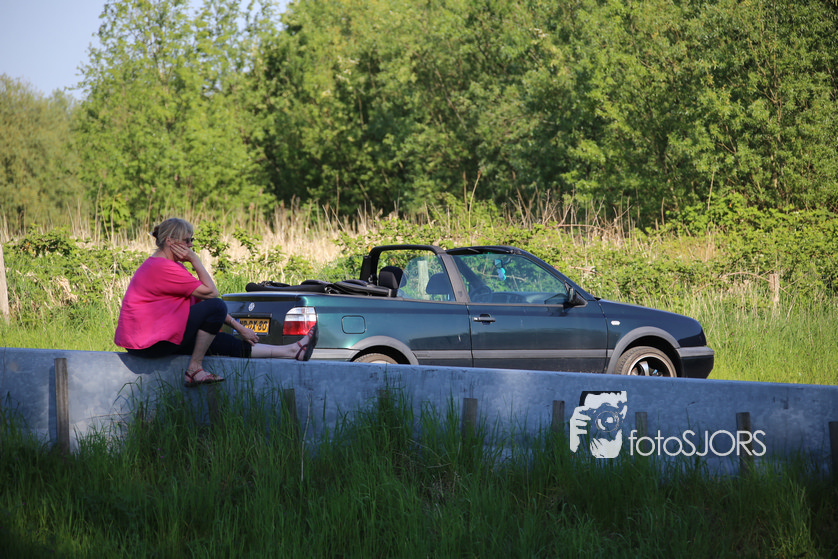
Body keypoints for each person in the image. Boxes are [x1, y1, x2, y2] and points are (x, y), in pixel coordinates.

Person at [114, 217, 318, 387]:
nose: (191, 245)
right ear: (170, 241)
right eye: (187, 240)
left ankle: (292, 351)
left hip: (148, 342)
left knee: (218, 341)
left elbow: (203, 301)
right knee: (217, 306)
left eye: (192, 240)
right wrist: (195, 260)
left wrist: (240, 328)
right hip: (149, 344)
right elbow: (212, 295)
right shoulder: (163, 268)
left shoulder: (167, 267)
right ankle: (194, 370)